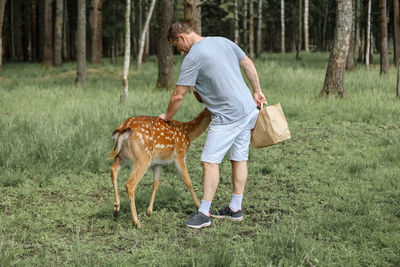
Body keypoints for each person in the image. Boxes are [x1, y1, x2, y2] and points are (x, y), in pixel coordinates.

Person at [159, 22, 267, 229]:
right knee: (239, 157)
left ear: (181, 37)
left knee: (209, 161)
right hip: (248, 109)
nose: (178, 50)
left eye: (176, 45)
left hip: (228, 116)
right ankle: (235, 208)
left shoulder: (193, 57)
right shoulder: (223, 41)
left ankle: (204, 213)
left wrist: (167, 116)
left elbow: (178, 95)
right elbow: (249, 64)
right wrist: (257, 91)